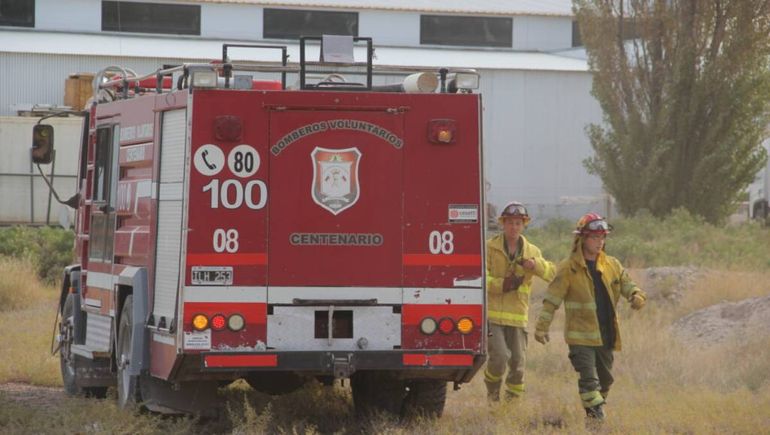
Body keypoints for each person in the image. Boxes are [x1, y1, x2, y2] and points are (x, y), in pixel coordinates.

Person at [533, 213, 646, 421]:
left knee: (606, 381)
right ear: (582, 239)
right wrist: (542, 327)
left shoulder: (612, 264)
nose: (599, 242)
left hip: (606, 334)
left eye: (602, 237)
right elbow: (552, 299)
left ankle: (594, 412)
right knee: (589, 380)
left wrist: (636, 295)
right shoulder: (568, 268)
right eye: (595, 237)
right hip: (580, 337)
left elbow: (626, 283)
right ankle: (596, 420)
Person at [484, 201, 555, 402]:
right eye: (510, 223)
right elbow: (481, 278)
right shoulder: (490, 248)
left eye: (518, 223)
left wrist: (535, 265)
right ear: (502, 224)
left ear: (523, 225)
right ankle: (492, 395)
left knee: (518, 363)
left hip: (518, 317)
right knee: (499, 358)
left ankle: (511, 405)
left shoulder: (532, 251)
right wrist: (502, 284)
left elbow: (551, 273)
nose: (513, 227)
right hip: (493, 316)